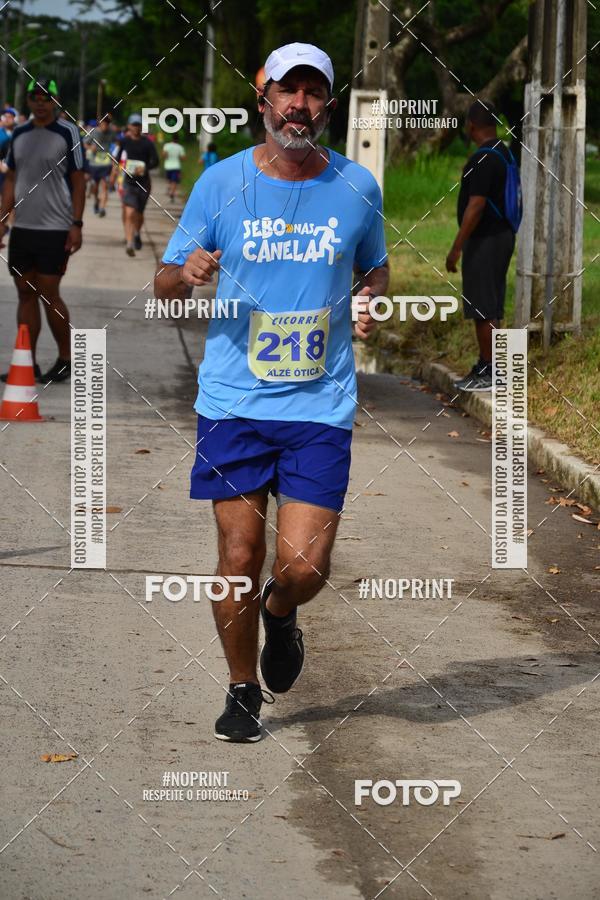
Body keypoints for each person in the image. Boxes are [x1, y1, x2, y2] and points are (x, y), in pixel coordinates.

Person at [155, 43, 389, 743]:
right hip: (234, 401)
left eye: (313, 93)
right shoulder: (221, 185)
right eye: (288, 91)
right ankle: (241, 689)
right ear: (263, 101)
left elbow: (375, 269)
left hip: (320, 404)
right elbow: (166, 280)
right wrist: (186, 270)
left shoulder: (357, 188)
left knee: (303, 566)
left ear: (327, 105)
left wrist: (371, 299)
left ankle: (281, 616)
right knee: (238, 555)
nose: (299, 105)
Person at [0, 78, 85, 384]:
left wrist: (76, 224)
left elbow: (78, 180)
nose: (40, 103)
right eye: (35, 97)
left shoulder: (67, 132)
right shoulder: (19, 134)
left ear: (55, 102)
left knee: (49, 293)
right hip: (23, 227)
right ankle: (27, 361)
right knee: (25, 293)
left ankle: (65, 358)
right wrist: (2, 220)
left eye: (46, 98)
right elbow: (11, 180)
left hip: (56, 228)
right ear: (29, 102)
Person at [446, 100, 518, 392]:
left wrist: (456, 248)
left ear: (471, 125)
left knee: (482, 306)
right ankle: (490, 366)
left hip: (486, 239)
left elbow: (475, 207)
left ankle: (490, 371)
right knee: (491, 305)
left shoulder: (484, 158)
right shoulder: (504, 153)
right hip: (502, 237)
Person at [111, 113, 158, 256]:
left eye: (139, 125)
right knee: (130, 212)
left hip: (144, 183)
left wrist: (144, 168)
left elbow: (156, 161)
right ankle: (129, 243)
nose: (136, 128)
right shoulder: (124, 141)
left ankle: (137, 232)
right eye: (134, 125)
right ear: (129, 126)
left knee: (139, 213)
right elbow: (117, 159)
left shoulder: (148, 143)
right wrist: (117, 171)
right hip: (129, 182)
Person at [85, 114, 114, 217]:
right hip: (94, 163)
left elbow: (119, 141)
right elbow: (85, 143)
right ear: (100, 124)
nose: (105, 126)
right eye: (103, 124)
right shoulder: (93, 132)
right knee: (95, 187)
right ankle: (96, 202)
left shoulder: (111, 133)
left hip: (106, 163)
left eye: (107, 124)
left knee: (105, 186)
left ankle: (102, 208)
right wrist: (90, 148)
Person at [162, 131, 185, 201]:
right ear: (178, 139)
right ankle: (172, 192)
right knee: (174, 181)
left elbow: (164, 155)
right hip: (176, 166)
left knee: (169, 180)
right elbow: (183, 158)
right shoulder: (180, 147)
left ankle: (170, 189)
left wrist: (168, 156)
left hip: (168, 166)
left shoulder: (167, 146)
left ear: (172, 139)